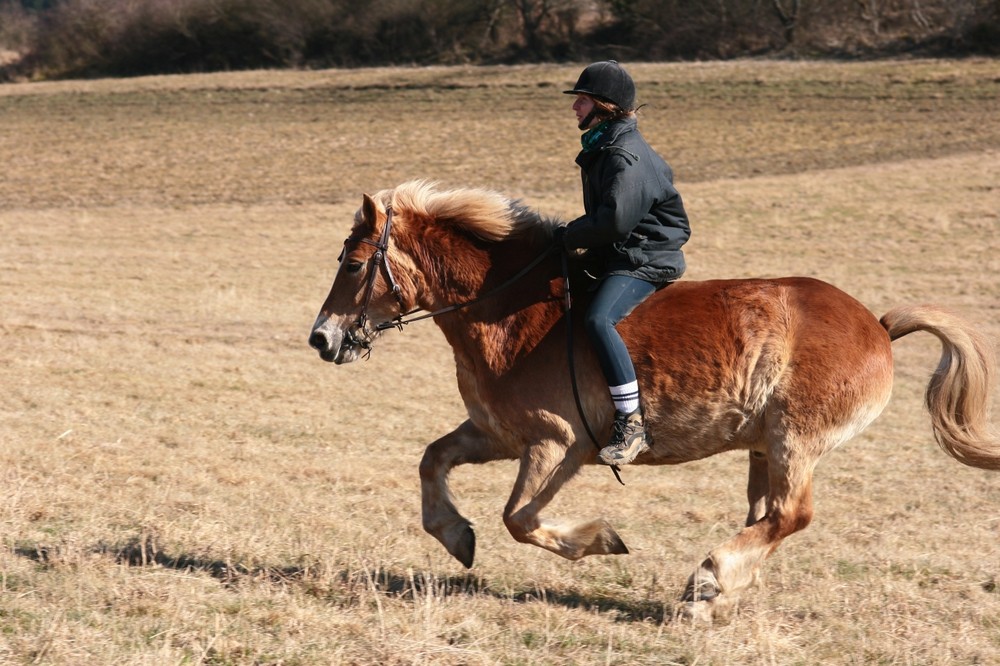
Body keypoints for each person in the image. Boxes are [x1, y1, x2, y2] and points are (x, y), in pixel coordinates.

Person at [558, 60, 691, 466]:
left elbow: (614, 222)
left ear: (605, 105)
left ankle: (631, 421)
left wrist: (564, 236)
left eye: (582, 99)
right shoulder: (604, 145)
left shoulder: (623, 154)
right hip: (621, 251)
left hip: (646, 257)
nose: (575, 107)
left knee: (598, 319)